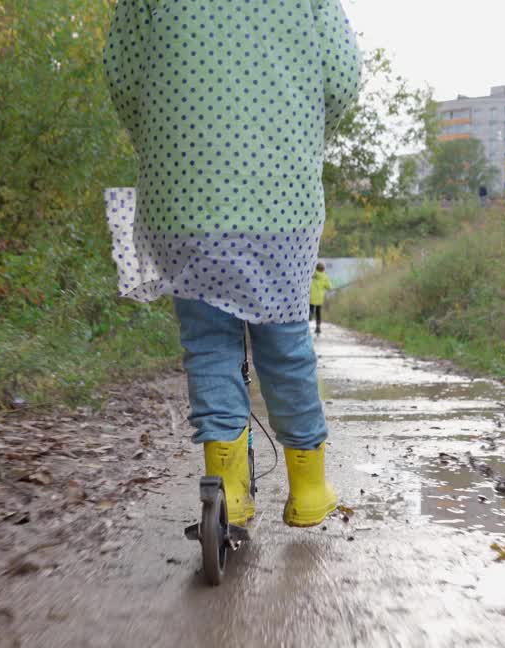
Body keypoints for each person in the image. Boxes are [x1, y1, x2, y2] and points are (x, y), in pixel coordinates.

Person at [104, 0, 361, 528]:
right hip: (280, 197)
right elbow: (342, 80)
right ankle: (309, 487)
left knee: (209, 344)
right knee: (286, 342)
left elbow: (124, 79)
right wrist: (302, 132)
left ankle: (229, 493)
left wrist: (162, 136)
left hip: (184, 194)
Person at [309, 263, 333, 335]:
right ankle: (318, 327)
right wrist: (330, 288)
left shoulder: (312, 275)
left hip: (311, 297)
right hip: (319, 298)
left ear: (316, 268)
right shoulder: (325, 277)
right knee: (318, 313)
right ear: (323, 269)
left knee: (311, 310)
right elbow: (329, 287)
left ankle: (309, 317)